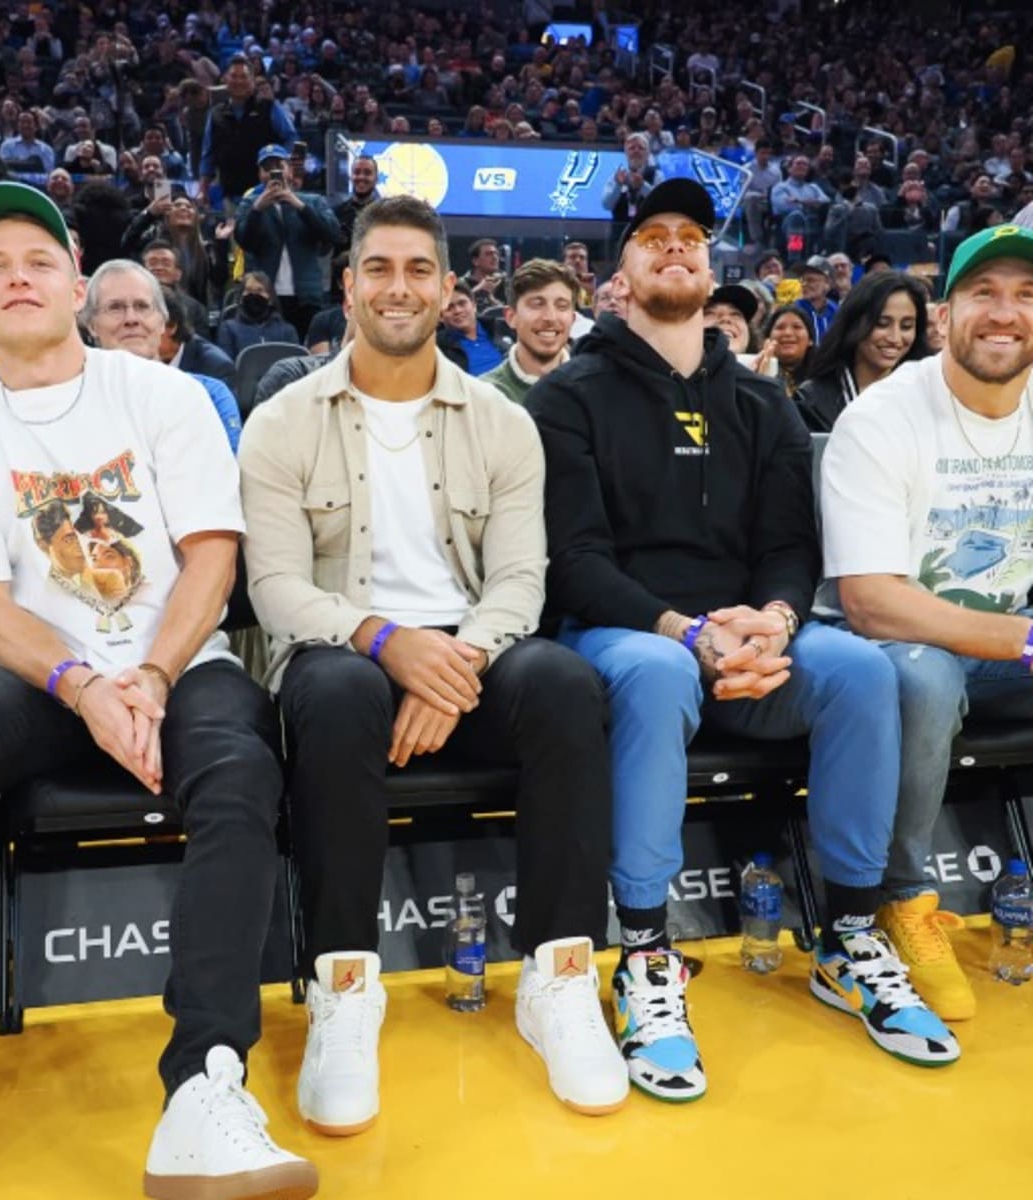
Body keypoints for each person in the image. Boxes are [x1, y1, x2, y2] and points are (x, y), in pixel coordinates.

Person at [0, 181, 315, 1199]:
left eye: (39, 260)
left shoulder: (162, 396)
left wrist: (151, 673)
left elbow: (212, 558)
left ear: (78, 283)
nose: (18, 277)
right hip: (38, 678)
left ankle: (206, 1078)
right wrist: (82, 684)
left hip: (177, 666)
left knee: (241, 766)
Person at [526, 178, 959, 1103]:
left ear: (712, 261)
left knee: (856, 669)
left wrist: (776, 620)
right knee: (650, 672)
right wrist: (688, 632)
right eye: (653, 237)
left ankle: (846, 936)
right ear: (621, 270)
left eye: (692, 235)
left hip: (751, 641)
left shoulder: (765, 402)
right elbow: (573, 559)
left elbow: (790, 546)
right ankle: (646, 953)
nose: (676, 247)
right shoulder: (567, 396)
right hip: (627, 634)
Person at [238, 193, 627, 1134]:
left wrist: (453, 666)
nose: (399, 287)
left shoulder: (503, 424)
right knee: (334, 696)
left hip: (468, 646)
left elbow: (522, 580)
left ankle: (558, 977)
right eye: (379, 268)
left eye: (419, 269)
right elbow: (277, 590)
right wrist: (385, 642)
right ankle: (343, 985)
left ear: (451, 289)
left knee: (567, 684)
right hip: (343, 649)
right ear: (348, 285)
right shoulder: (283, 420)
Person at [820, 224, 1033, 1022]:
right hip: (914, 642)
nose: (1005, 313)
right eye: (985, 293)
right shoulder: (882, 416)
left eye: (1026, 295)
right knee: (918, 674)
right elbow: (871, 599)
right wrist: (1025, 639)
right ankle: (902, 900)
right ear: (945, 316)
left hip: (1016, 646)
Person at [82, 258, 241, 452]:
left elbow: (224, 475)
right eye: (115, 307)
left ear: (163, 322)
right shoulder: (71, 402)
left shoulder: (211, 395)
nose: (131, 319)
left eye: (142, 306)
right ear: (91, 325)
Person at [796, 272, 930, 432]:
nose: (895, 338)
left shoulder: (927, 397)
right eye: (882, 324)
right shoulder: (812, 401)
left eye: (906, 326)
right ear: (854, 322)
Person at [233, 144, 339, 340]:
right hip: (265, 296)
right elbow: (244, 241)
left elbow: (332, 233)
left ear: (289, 170)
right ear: (260, 174)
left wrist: (297, 204)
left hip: (306, 295)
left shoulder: (313, 201)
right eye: (267, 168)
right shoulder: (250, 203)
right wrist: (258, 208)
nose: (273, 173)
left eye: (279, 166)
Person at [199, 54, 297, 210]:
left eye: (243, 77)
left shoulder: (269, 107)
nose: (238, 81)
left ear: (252, 81)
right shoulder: (215, 114)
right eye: (234, 76)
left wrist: (286, 169)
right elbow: (207, 155)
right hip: (230, 194)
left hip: (268, 193)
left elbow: (291, 139)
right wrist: (203, 189)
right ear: (225, 79)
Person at [481, 258, 575, 404]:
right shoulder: (483, 396)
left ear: (573, 319)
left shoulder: (595, 391)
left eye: (562, 306)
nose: (550, 317)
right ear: (511, 317)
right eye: (537, 305)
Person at [215, 271, 301, 360]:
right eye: (248, 290)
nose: (254, 295)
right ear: (240, 298)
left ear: (270, 298)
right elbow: (226, 366)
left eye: (259, 290)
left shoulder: (287, 331)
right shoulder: (228, 329)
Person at [142, 239, 210, 336]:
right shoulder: (128, 303)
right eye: (153, 263)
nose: (159, 267)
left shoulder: (195, 309)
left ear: (178, 274)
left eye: (166, 263)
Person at [441, 280, 506, 376]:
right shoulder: (438, 349)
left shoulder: (502, 328)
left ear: (474, 305)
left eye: (462, 303)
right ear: (440, 316)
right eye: (449, 308)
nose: (457, 311)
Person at [763, 303, 816, 397]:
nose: (788, 333)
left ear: (810, 340)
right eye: (780, 327)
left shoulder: (823, 378)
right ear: (767, 339)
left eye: (797, 327)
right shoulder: (753, 373)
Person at [333, 153, 379, 252]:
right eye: (357, 172)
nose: (361, 177)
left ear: (376, 179)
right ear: (351, 177)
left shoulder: (384, 214)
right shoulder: (337, 213)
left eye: (367, 173)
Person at [796, 256, 839, 342]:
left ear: (827, 284)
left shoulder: (837, 311)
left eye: (811, 280)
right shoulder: (794, 310)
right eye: (802, 280)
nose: (804, 284)